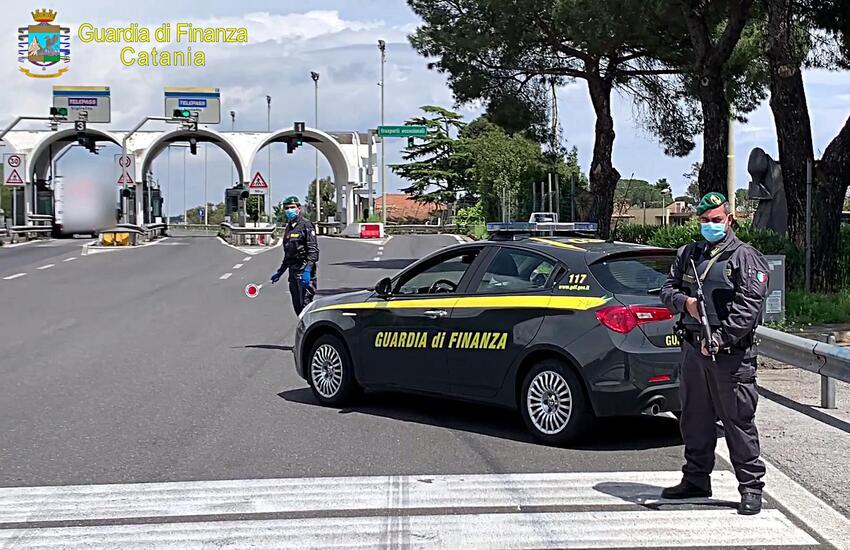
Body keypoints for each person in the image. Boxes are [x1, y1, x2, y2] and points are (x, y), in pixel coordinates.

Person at [660, 191, 770, 516]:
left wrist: (720, 338)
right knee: (695, 419)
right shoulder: (689, 254)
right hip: (694, 351)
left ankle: (750, 488)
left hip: (730, 356)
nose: (711, 225)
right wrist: (686, 304)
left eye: (716, 220)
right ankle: (696, 479)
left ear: (729, 219)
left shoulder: (744, 257)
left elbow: (748, 307)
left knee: (738, 422)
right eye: (705, 221)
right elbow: (667, 289)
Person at [271, 196, 319, 315]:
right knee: (297, 308)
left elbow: (313, 251)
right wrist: (280, 271)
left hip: (304, 271)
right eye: (287, 208)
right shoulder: (289, 228)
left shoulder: (306, 225)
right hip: (293, 272)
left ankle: (310, 333)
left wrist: (308, 271)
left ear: (299, 208)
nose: (289, 210)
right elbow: (289, 254)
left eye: (292, 207)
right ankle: (303, 332)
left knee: (306, 307)